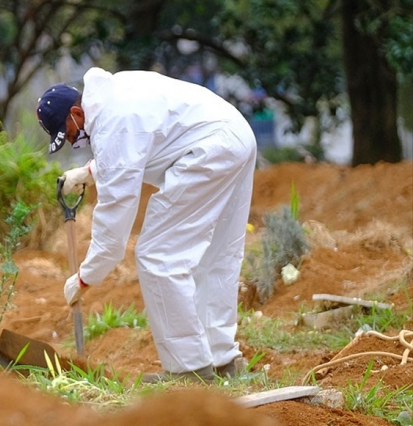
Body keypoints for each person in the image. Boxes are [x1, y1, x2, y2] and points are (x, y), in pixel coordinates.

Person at [36, 67, 257, 383]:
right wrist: (90, 172)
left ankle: (188, 370)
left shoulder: (112, 124)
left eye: (69, 134)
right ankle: (223, 360)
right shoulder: (114, 96)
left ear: (76, 113)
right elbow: (140, 145)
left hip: (209, 149)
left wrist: (85, 276)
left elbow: (114, 219)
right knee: (218, 256)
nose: (74, 142)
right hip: (234, 135)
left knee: (158, 255)